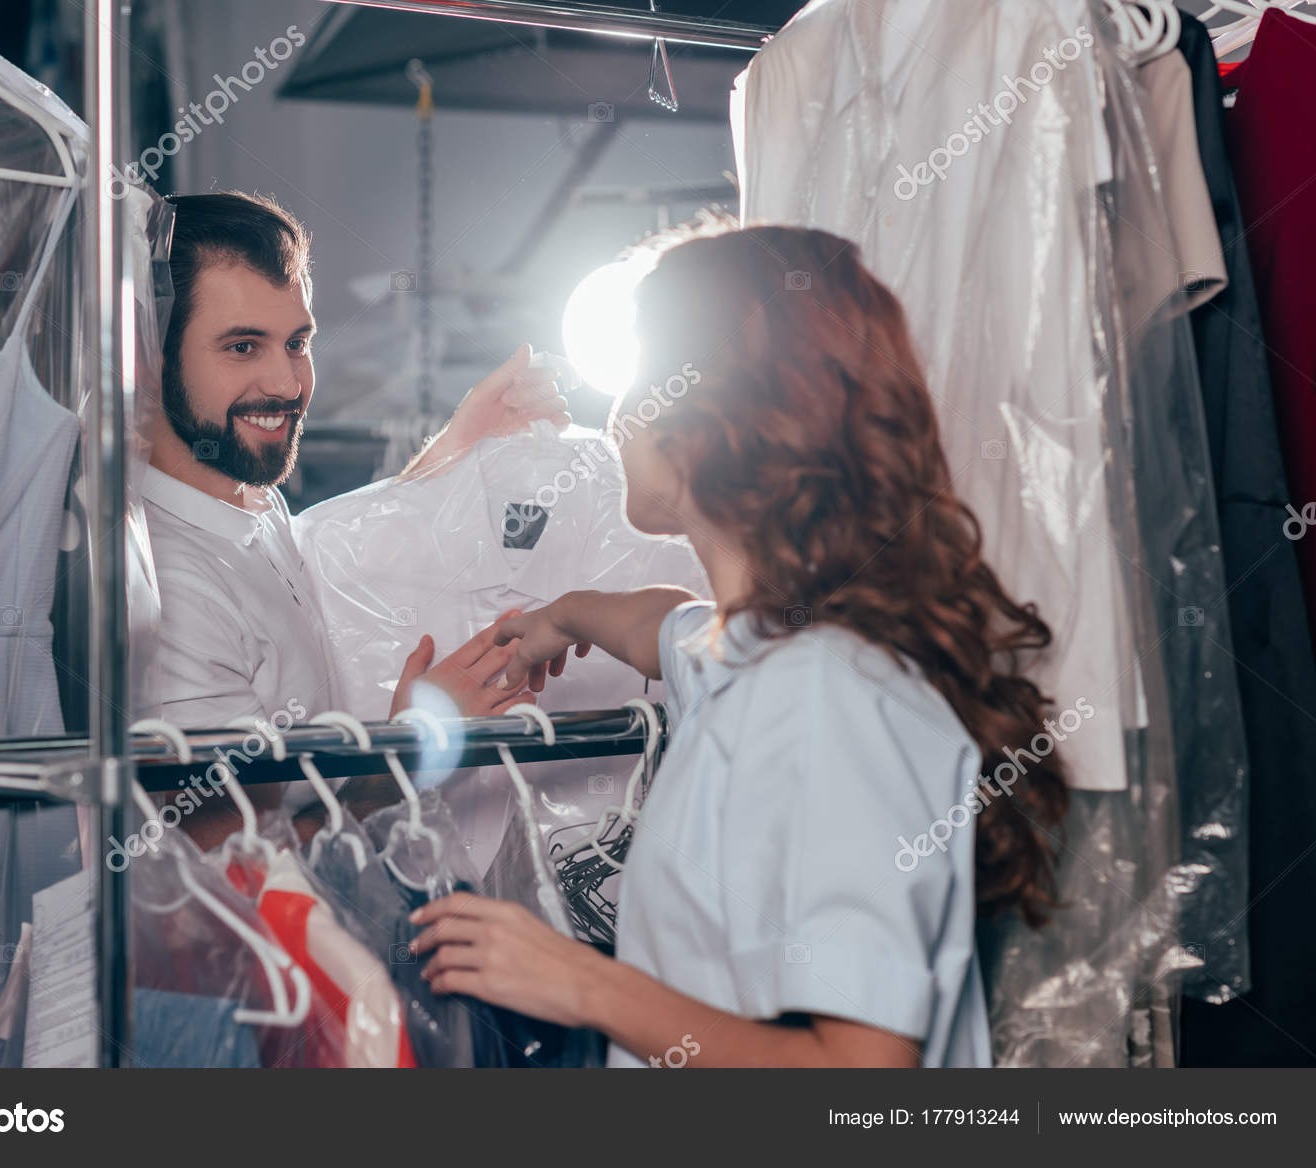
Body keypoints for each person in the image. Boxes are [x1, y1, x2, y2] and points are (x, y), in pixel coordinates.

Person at [409, 221, 1072, 1067]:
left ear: (721, 418)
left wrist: (580, 983)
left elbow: (864, 1074)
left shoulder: (827, 694)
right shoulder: (759, 652)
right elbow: (665, 626)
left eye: (646, 375)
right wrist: (570, 614)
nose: (618, 414)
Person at [141, 190, 567, 833]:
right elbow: (236, 887)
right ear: (152, 354)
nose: (287, 384)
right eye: (242, 347)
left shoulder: (241, 493)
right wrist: (411, 751)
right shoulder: (172, 594)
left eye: (297, 342)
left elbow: (337, 545)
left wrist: (458, 449)